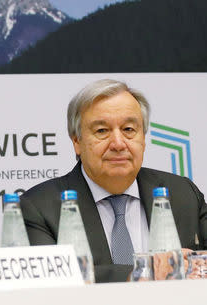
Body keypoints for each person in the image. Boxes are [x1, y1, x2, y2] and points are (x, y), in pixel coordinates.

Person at [20, 79, 207, 283]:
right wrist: (142, 273)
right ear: (76, 141)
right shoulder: (39, 207)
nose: (118, 144)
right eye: (102, 131)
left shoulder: (182, 193)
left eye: (128, 130)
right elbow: (49, 277)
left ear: (143, 138)